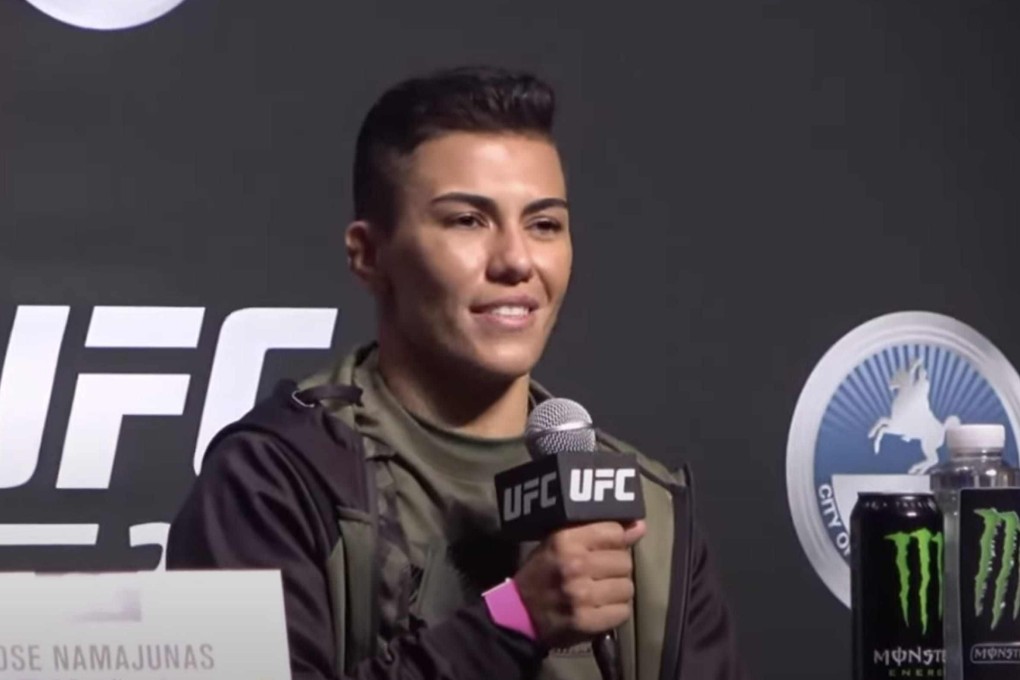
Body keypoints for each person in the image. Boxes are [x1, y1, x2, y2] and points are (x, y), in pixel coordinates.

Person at [166, 66, 746, 680]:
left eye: (544, 225)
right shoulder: (274, 480)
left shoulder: (650, 512)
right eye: (468, 220)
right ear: (369, 255)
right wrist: (514, 621)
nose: (517, 261)